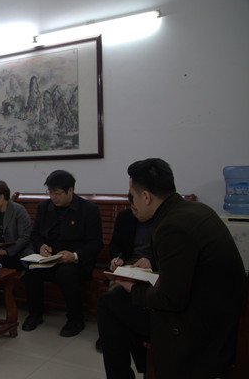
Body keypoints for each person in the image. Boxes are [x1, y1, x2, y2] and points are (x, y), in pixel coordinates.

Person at [98, 158, 246, 379]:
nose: (133, 202)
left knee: (110, 303)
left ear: (146, 196)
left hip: (199, 327)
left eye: (133, 196)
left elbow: (170, 299)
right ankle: (143, 366)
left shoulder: (172, 226)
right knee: (117, 299)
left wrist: (133, 289)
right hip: (219, 311)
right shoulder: (197, 210)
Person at [22, 170, 102, 337]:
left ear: (70, 191)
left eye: (57, 193)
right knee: (31, 271)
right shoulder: (44, 207)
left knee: (66, 274)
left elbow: (95, 244)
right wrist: (40, 247)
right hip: (50, 258)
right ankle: (35, 314)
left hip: (76, 261)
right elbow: (35, 234)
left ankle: (75, 320)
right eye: (50, 193)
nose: (53, 197)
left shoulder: (89, 210)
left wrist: (74, 255)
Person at [95, 202, 154, 353]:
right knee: (115, 289)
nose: (137, 213)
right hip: (129, 264)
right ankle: (108, 335)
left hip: (152, 267)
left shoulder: (162, 219)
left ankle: (137, 332)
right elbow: (115, 244)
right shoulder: (125, 217)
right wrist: (117, 258)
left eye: (139, 209)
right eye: (134, 209)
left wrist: (152, 262)